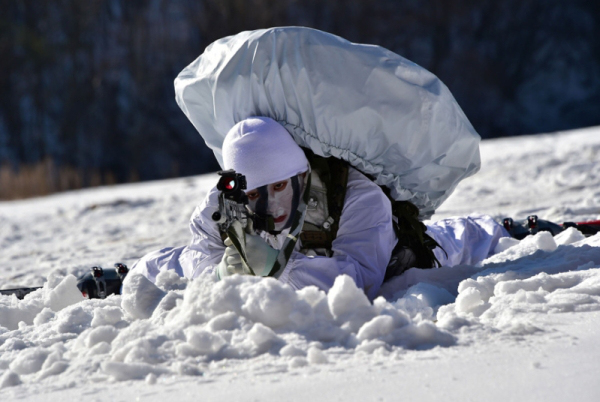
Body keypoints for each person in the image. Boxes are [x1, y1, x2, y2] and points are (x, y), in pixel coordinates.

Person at [131, 116, 508, 300]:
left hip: (389, 255)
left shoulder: (359, 198)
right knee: (158, 264)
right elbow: (198, 248)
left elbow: (361, 279)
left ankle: (506, 227)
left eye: (280, 186)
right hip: (296, 257)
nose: (271, 204)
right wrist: (216, 276)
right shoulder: (224, 200)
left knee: (458, 239)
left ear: (300, 175)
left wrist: (282, 270)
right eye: (257, 193)